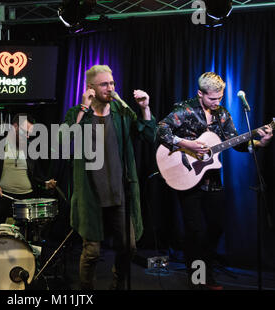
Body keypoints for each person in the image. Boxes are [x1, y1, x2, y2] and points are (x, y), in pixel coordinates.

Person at [156, 72, 273, 290]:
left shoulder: (222, 114)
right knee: (196, 230)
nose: (217, 102)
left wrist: (260, 143)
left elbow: (236, 142)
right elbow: (161, 130)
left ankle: (204, 268)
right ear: (200, 94)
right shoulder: (185, 109)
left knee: (216, 227)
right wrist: (186, 144)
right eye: (212, 98)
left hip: (212, 181)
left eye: (219, 98)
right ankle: (199, 276)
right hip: (187, 178)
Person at [61, 65, 156, 290]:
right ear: (90, 88)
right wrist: (84, 107)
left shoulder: (121, 113)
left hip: (119, 192)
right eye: (105, 84)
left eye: (112, 84)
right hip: (91, 194)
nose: (110, 88)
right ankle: (86, 291)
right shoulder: (77, 113)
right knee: (92, 252)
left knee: (129, 246)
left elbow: (149, 135)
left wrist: (145, 108)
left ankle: (118, 284)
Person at [0, 113, 57, 228]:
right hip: (2, 199)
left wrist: (45, 183)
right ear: (15, 127)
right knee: (2, 238)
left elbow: (35, 175)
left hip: (27, 201)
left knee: (25, 238)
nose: (28, 136)